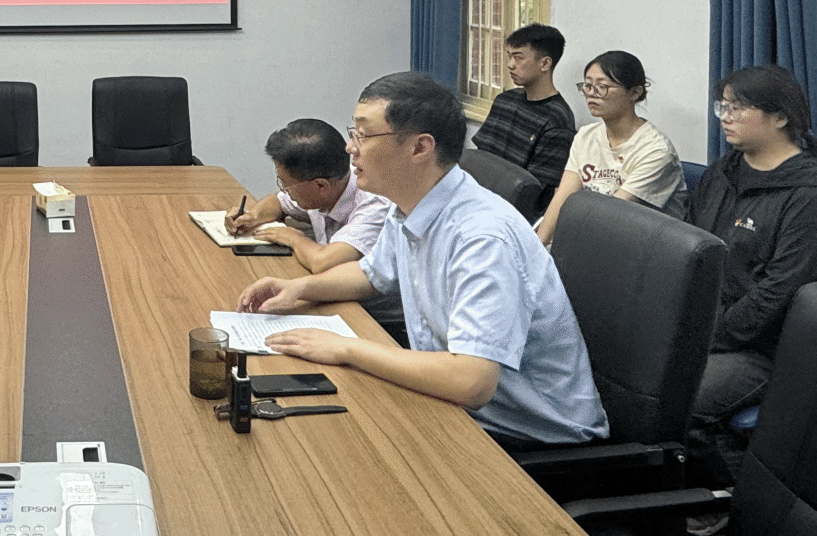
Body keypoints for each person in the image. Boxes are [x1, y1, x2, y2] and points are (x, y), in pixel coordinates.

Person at [237, 72, 606, 446]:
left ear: (419, 148)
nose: (350, 149)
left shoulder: (482, 237)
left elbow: (472, 381)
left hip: (527, 434)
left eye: (363, 135)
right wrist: (299, 288)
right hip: (453, 407)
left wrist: (345, 348)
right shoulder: (411, 205)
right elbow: (371, 274)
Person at [683, 65, 817, 517]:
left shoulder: (814, 198)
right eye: (722, 106)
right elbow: (690, 247)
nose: (725, 116)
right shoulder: (725, 172)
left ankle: (715, 497)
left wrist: (702, 339)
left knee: (677, 394)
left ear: (780, 117)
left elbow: (776, 299)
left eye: (738, 107)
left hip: (768, 347)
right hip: (711, 327)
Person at [225, 118, 407, 339]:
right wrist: (253, 216)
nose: (285, 190)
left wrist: (294, 238)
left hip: (380, 323)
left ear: (320, 185)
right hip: (333, 298)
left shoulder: (374, 202)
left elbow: (325, 262)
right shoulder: (328, 183)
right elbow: (278, 202)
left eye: (287, 185)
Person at [533, 51, 688, 245]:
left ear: (635, 92)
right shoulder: (586, 136)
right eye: (588, 85)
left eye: (602, 87)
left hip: (639, 247)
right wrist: (537, 247)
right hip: (595, 238)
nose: (592, 93)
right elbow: (562, 199)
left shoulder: (656, 151)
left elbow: (609, 216)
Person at [471, 23, 577, 211]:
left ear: (545, 63)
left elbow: (531, 192)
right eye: (509, 56)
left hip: (513, 213)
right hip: (478, 199)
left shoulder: (557, 120)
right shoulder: (505, 100)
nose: (510, 64)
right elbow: (479, 160)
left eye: (518, 57)